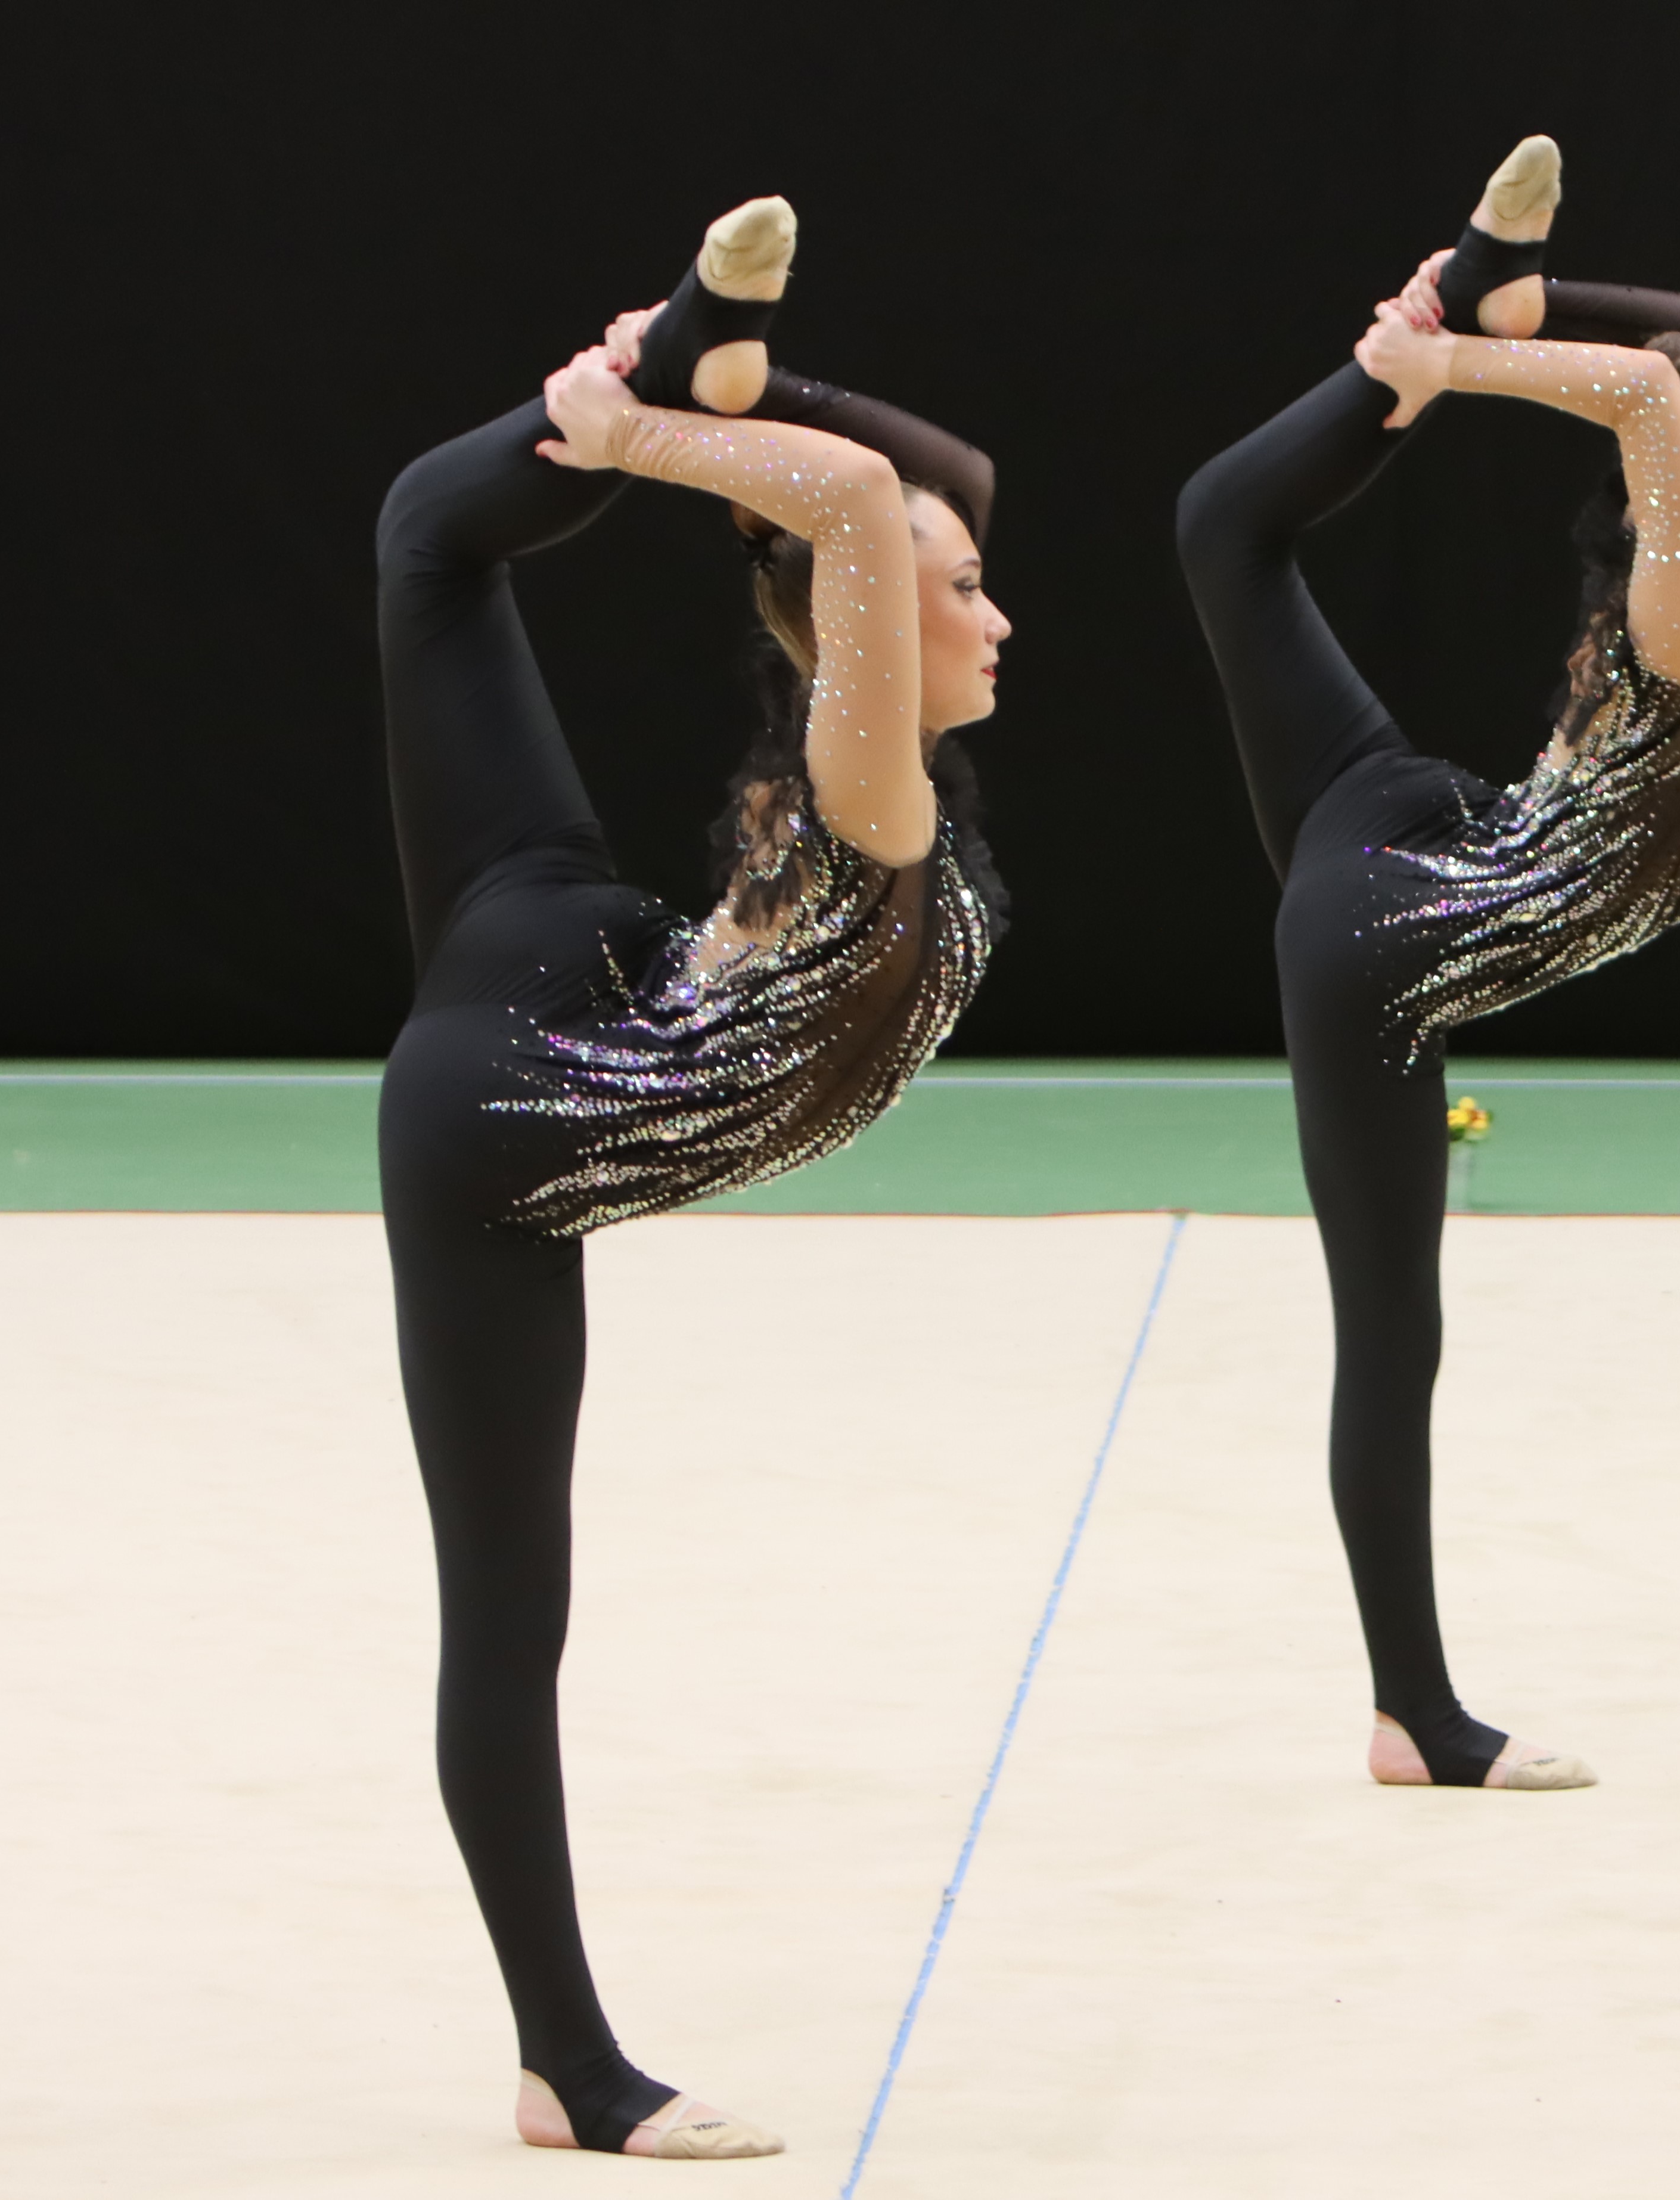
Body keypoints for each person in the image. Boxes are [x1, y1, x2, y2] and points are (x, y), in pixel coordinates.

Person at [375, 198, 1010, 2154]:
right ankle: (570, 2067)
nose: (999, 614)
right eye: (962, 594)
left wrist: (721, 383)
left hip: (567, 957)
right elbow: (856, 504)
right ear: (874, 625)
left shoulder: (886, 773)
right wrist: (644, 432)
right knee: (509, 1615)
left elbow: (923, 481)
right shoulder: (869, 792)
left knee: (430, 540)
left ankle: (677, 341)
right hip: (504, 1117)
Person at [1173, 137, 1680, 1790]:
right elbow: (1654, 401)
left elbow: (1676, 341)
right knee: (1391, 1334)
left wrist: (1482, 310)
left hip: (1405, 826)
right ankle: (1417, 1714)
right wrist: (1443, 367)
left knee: (1226, 526)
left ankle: (1470, 271)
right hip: (1387, 942)